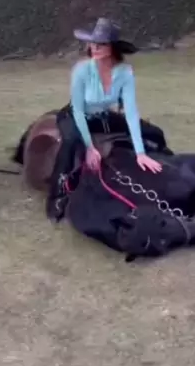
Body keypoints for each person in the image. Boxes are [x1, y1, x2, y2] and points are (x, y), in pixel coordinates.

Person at [47, 17, 162, 221]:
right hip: (75, 115)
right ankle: (56, 196)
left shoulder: (125, 72)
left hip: (102, 116)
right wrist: (90, 147)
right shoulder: (81, 70)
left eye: (101, 44)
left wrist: (140, 153)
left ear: (112, 47)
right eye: (93, 43)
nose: (95, 47)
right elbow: (78, 110)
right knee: (71, 141)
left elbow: (131, 112)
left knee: (154, 133)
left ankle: (157, 165)